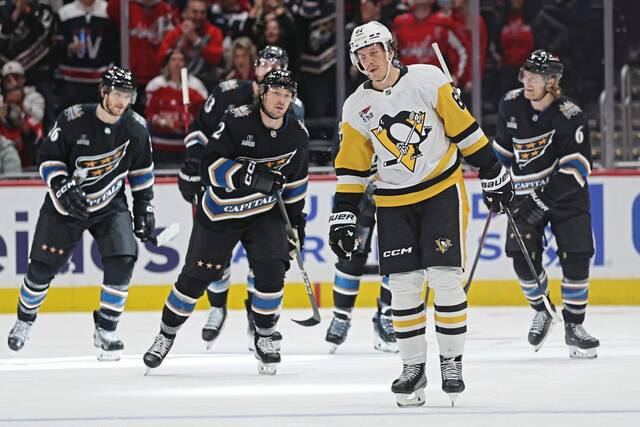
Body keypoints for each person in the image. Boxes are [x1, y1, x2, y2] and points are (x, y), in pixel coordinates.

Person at [329, 21, 513, 407]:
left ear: (391, 50)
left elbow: (464, 129)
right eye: (362, 56)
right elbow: (352, 169)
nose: (369, 61)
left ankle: (451, 361)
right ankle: (413, 367)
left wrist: (492, 171)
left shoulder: (428, 80)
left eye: (374, 52)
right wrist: (342, 214)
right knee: (404, 287)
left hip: (440, 192)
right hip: (393, 202)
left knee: (446, 280)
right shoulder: (355, 107)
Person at [144, 69, 309, 376]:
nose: (281, 100)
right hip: (221, 212)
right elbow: (210, 166)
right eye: (276, 93)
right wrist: (250, 177)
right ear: (262, 93)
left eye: (287, 95)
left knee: (273, 271)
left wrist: (296, 226)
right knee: (193, 281)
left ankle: (264, 336)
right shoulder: (237, 120)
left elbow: (296, 186)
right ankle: (165, 334)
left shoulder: (297, 134)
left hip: (264, 215)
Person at [6, 66, 155, 361]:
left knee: (123, 259)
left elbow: (141, 172)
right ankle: (24, 321)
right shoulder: (74, 118)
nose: (121, 101)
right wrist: (61, 185)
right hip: (66, 205)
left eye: (127, 95)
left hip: (110, 204)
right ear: (103, 91)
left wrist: (144, 207)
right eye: (117, 94)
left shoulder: (136, 127)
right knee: (41, 268)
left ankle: (107, 330)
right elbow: (47, 157)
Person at [178, 45, 302, 351]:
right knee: (214, 259)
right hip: (221, 188)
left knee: (262, 261)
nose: (270, 71)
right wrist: (195, 166)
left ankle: (253, 317)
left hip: (259, 197)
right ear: (255, 69)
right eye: (265, 65)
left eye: (277, 66)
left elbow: (292, 151)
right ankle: (217, 307)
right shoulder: (226, 92)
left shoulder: (290, 105)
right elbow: (199, 133)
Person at [493, 49, 599, 359]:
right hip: (524, 196)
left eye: (534, 76)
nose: (526, 80)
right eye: (524, 74)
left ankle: (574, 326)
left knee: (577, 257)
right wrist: (494, 183)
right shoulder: (510, 104)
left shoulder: (571, 115)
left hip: (567, 199)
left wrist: (541, 199)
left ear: (551, 82)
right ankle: (542, 310)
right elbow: (502, 154)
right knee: (520, 257)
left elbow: (576, 169)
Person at [325, 176, 398, 354]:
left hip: (395, 191)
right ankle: (341, 315)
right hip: (360, 194)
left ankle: (388, 313)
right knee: (351, 253)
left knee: (396, 253)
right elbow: (343, 155)